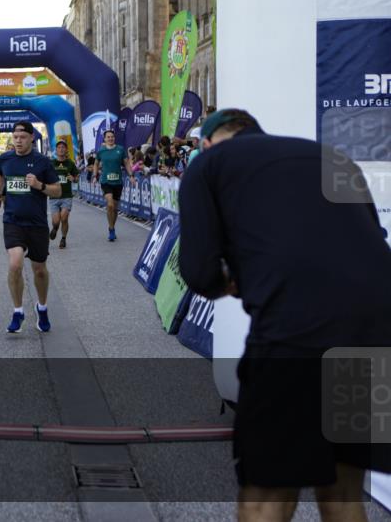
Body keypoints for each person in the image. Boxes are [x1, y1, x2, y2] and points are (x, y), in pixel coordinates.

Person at [179, 108, 391, 522]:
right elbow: (371, 241)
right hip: (377, 328)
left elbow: (199, 272)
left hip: (295, 333)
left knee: (267, 494)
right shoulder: (330, 157)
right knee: (344, 493)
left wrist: (235, 281)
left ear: (207, 142)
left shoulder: (208, 165)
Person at [0, 122, 62, 333]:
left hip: (37, 223)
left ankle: (42, 308)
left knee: (39, 270)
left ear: (32, 138)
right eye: (15, 137)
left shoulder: (43, 162)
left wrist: (39, 185)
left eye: (22, 137)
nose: (18, 141)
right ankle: (18, 311)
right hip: (13, 221)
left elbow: (58, 191)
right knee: (15, 265)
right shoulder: (5, 159)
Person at [92, 129, 136, 241]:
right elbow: (96, 164)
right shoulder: (101, 151)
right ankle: (111, 229)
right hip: (106, 181)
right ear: (105, 139)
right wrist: (94, 176)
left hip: (118, 182)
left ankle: (112, 226)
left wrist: (131, 175)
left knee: (115, 208)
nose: (110, 138)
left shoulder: (120, 149)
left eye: (112, 137)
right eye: (108, 137)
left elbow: (126, 163)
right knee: (110, 204)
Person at [48, 140, 79, 249]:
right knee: (56, 221)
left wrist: (73, 178)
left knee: (64, 218)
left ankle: (63, 239)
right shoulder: (51, 163)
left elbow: (76, 178)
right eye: (59, 147)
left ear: (66, 150)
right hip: (53, 196)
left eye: (63, 147)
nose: (61, 149)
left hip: (66, 195)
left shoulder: (70, 163)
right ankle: (55, 228)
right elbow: (45, 176)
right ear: (56, 150)